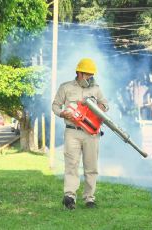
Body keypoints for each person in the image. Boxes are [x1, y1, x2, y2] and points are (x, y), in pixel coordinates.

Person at [52, 58, 109, 210]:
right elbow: (55, 105)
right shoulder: (65, 87)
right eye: (87, 74)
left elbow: (105, 104)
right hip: (72, 132)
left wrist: (101, 107)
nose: (90, 77)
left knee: (91, 166)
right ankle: (69, 197)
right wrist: (63, 113)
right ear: (79, 73)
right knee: (71, 164)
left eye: (91, 74)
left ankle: (89, 198)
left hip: (91, 133)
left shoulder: (96, 89)